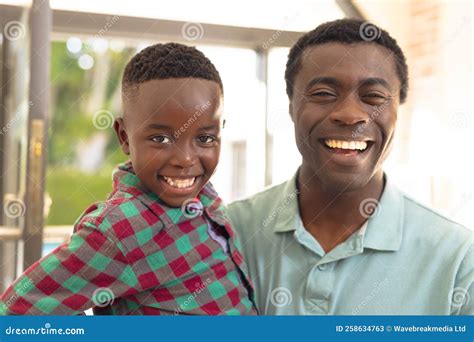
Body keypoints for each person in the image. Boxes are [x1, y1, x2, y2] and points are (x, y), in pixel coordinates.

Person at [227, 19, 473, 315]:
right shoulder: (228, 233)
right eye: (323, 94)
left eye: (373, 98)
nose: (350, 115)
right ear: (291, 106)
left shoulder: (458, 259)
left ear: (397, 112)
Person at [1, 43, 257, 315]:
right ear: (124, 136)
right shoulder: (120, 229)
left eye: (205, 138)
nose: (185, 159)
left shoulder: (203, 194)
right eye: (160, 139)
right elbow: (15, 312)